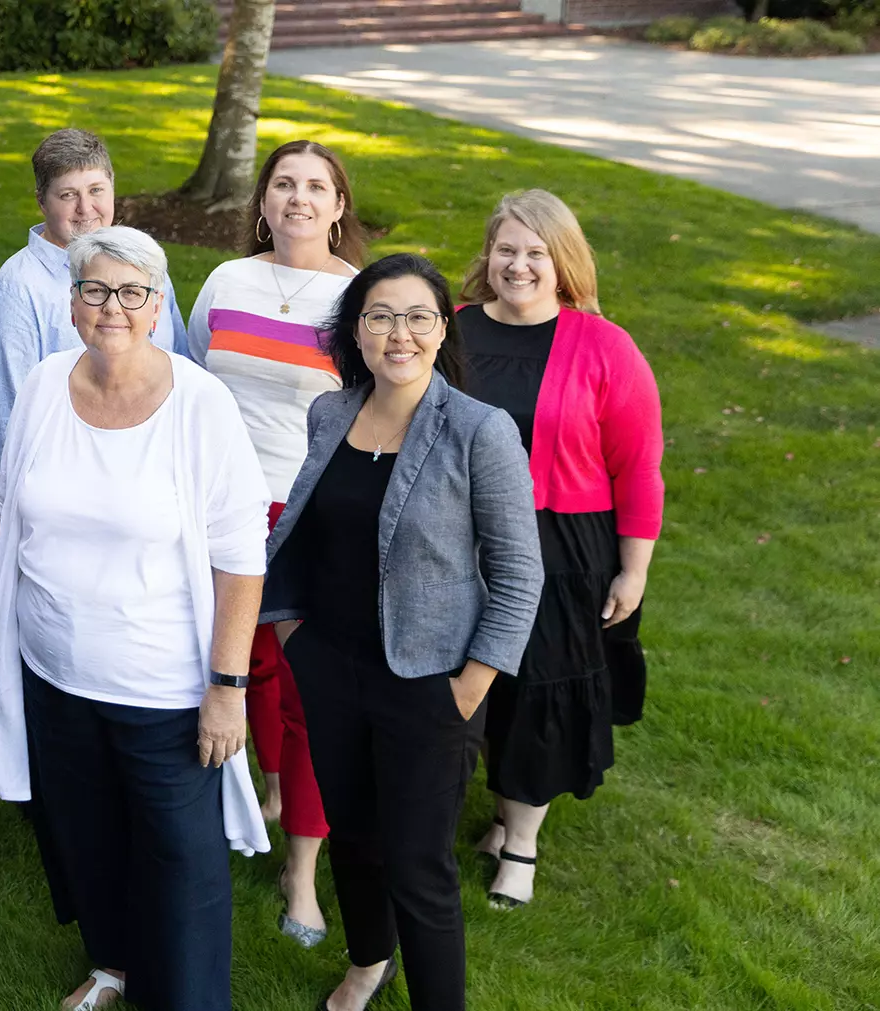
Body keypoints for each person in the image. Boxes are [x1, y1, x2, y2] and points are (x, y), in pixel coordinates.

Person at [0, 226, 271, 1011]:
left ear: (157, 305)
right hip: (52, 669)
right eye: (94, 290)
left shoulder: (199, 405)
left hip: (163, 685)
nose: (112, 306)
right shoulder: (43, 383)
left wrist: (227, 686)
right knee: (85, 834)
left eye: (131, 292)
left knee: (182, 858)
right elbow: (5, 511)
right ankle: (112, 964)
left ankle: (189, 998)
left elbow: (242, 553)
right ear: (71, 303)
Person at [263, 254, 542, 1011]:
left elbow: (520, 575)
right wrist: (292, 635)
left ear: (442, 326)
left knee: (419, 866)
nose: (399, 333)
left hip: (430, 684)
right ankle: (366, 963)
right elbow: (303, 532)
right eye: (380, 315)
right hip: (330, 667)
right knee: (352, 836)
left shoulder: (479, 431)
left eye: (418, 316)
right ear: (356, 329)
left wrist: (468, 687)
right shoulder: (333, 412)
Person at [457, 190, 664, 911]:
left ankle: (520, 841)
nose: (519, 265)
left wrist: (633, 568)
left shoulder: (605, 346)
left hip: (562, 540)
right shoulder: (451, 331)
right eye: (507, 249)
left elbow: (638, 465)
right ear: (488, 255)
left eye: (536, 252)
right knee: (471, 681)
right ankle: (490, 799)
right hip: (461, 535)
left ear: (564, 261)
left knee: (540, 688)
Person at [185, 139, 366, 949]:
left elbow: (372, 409)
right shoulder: (227, 280)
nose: (298, 198)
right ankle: (264, 785)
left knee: (305, 686)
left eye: (315, 187)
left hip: (307, 513)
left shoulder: (358, 296)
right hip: (218, 511)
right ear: (263, 202)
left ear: (338, 206)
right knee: (242, 663)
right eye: (284, 184)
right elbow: (193, 377)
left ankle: (301, 865)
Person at [0, 127, 188, 470]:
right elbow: (7, 417)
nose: (85, 208)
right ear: (42, 201)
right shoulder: (17, 290)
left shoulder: (145, 266)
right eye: (68, 195)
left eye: (96, 190)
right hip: (66, 477)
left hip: (156, 468)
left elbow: (181, 367)